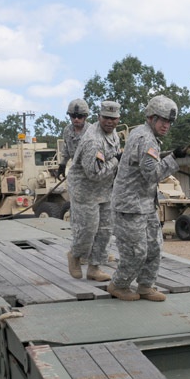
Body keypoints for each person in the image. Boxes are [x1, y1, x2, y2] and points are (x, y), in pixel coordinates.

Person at [107, 95, 181, 302]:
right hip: (130, 206)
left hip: (144, 203)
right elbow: (152, 173)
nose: (166, 125)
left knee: (155, 247)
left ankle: (146, 286)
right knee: (136, 251)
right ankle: (118, 285)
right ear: (151, 117)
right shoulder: (145, 138)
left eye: (169, 122)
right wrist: (175, 158)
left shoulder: (149, 136)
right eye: (163, 120)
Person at [64, 101, 122, 280]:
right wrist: (116, 161)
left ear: (118, 119)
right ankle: (75, 255)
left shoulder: (114, 136)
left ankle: (94, 267)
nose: (109, 122)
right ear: (99, 118)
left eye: (113, 118)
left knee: (105, 230)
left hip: (105, 189)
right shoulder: (92, 140)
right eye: (106, 118)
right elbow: (95, 174)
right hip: (85, 189)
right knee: (88, 229)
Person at [58, 98, 91, 180]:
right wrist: (63, 164)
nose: (76, 119)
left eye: (79, 116)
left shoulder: (92, 131)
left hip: (91, 171)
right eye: (73, 116)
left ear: (85, 116)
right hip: (76, 171)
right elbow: (66, 149)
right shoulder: (67, 131)